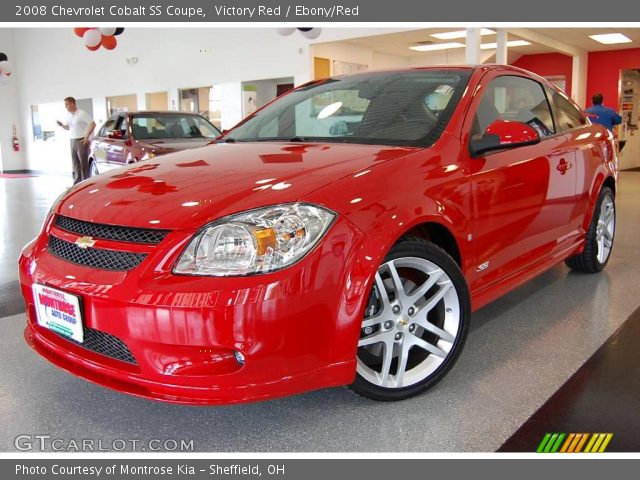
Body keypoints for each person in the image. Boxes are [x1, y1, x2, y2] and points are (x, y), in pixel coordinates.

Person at [56, 97, 95, 184]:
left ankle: (86, 182)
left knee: (83, 163)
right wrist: (62, 125)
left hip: (81, 140)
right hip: (72, 140)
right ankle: (77, 182)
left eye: (67, 104)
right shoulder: (69, 115)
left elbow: (92, 124)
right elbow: (68, 127)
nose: (65, 106)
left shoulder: (81, 114)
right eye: (65, 105)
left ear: (72, 104)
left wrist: (86, 136)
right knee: (75, 163)